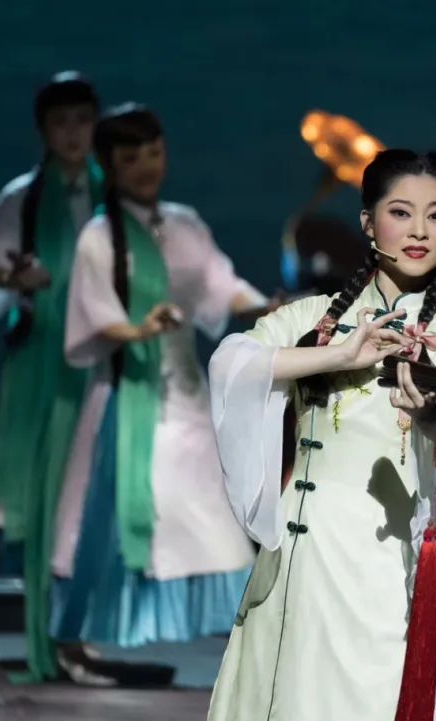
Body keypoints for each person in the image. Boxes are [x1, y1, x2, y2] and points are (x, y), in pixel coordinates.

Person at [206, 149, 436, 721]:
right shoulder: (311, 317)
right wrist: (339, 354)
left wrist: (430, 414)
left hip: (387, 564)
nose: (419, 231)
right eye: (400, 212)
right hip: (298, 558)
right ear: (368, 222)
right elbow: (231, 363)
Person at [44, 104, 267, 683]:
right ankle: (74, 638)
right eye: (131, 157)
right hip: (128, 397)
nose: (147, 166)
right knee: (112, 521)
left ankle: (255, 643)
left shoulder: (184, 223)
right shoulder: (100, 237)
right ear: (109, 165)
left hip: (185, 395)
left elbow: (221, 282)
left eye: (154, 152)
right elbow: (95, 316)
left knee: (210, 521)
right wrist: (140, 328)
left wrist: (266, 306)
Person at [0, 72, 101, 578]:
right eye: (61, 122)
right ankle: (23, 580)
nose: (73, 133)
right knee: (28, 465)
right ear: (43, 131)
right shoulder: (21, 198)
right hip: (41, 353)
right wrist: (18, 277)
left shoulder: (114, 195)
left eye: (83, 120)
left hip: (105, 353)